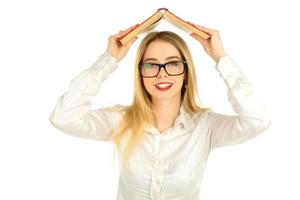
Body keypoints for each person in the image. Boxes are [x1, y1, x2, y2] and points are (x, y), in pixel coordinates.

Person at [49, 24, 271, 200]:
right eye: (151, 65)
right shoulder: (121, 121)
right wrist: (109, 59)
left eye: (173, 63)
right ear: (141, 73)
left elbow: (258, 120)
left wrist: (221, 58)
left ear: (185, 72)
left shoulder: (206, 126)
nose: (161, 74)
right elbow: (63, 117)